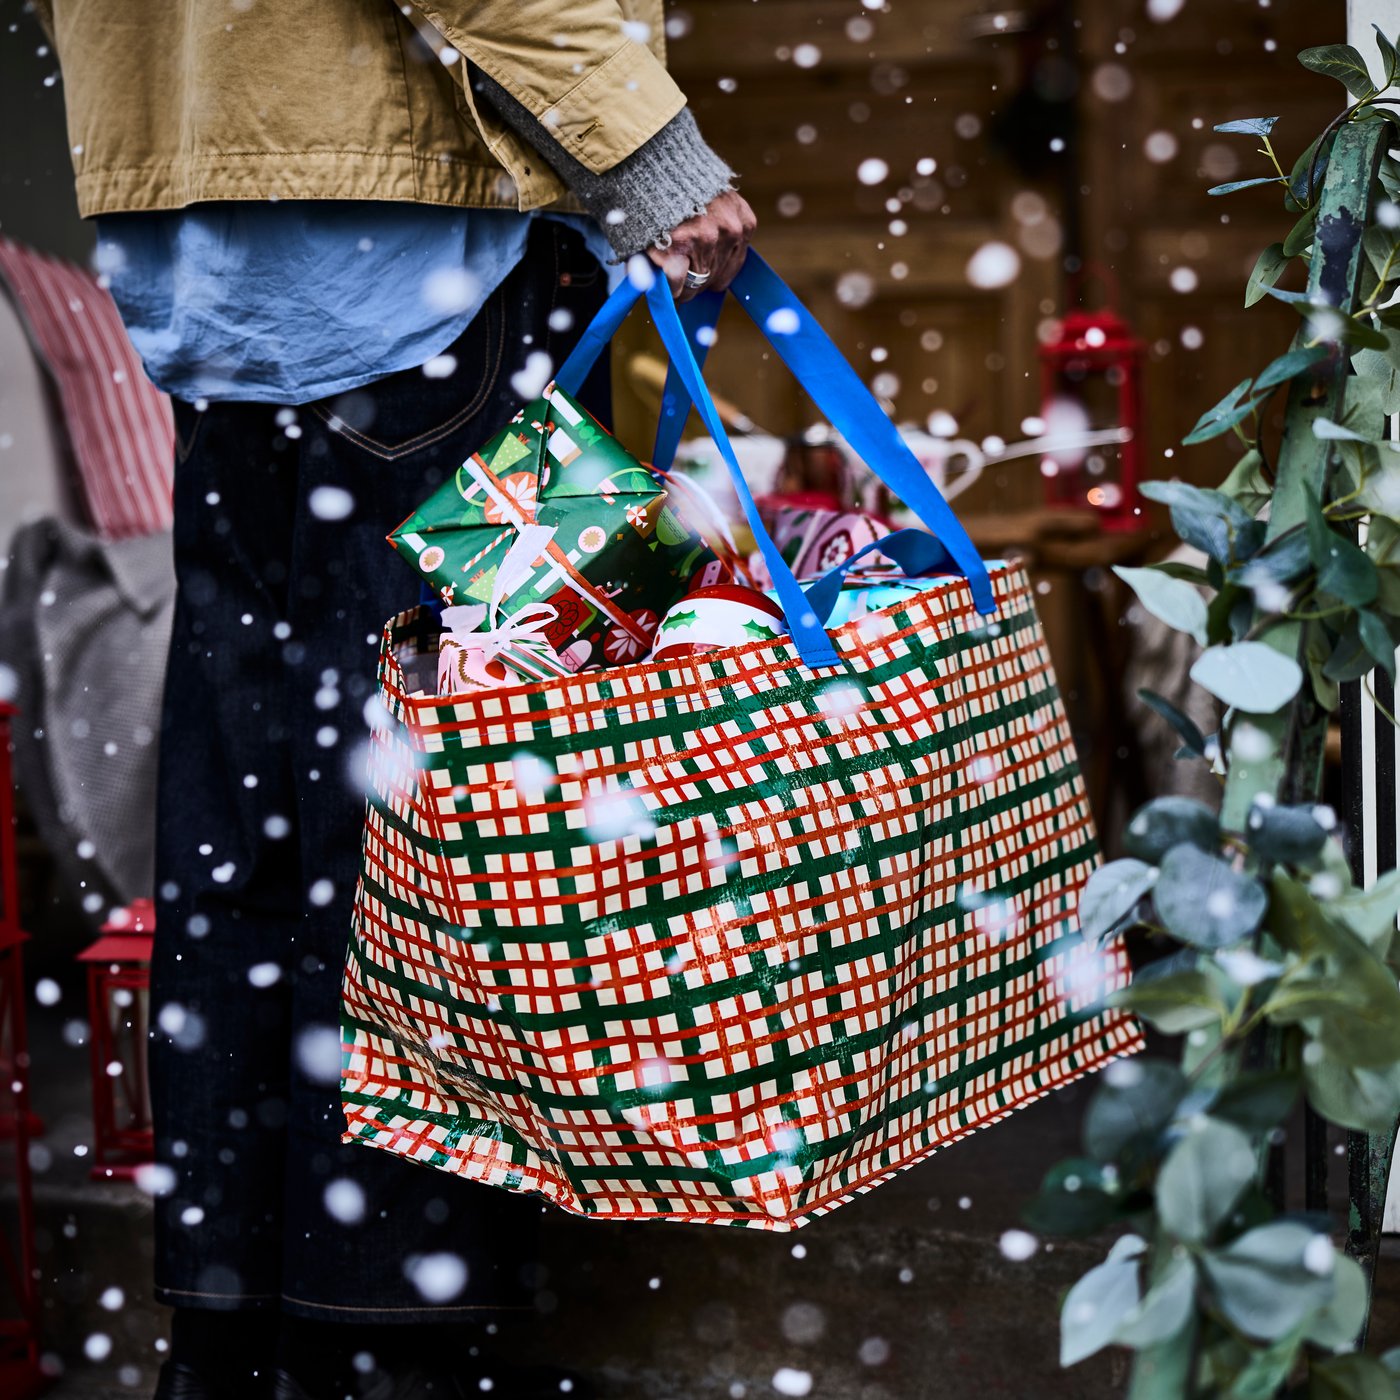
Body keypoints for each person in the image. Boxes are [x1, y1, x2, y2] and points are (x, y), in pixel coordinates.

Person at [30, 3, 756, 1397]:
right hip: (426, 263)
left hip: (212, 241)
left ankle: (233, 1324)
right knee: (445, 813)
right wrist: (651, 152)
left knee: (249, 814)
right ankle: (388, 1338)